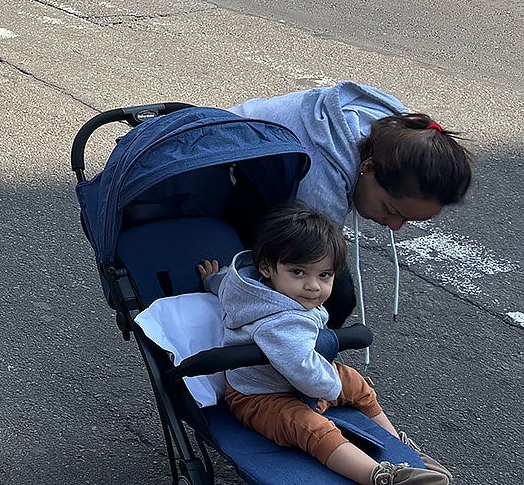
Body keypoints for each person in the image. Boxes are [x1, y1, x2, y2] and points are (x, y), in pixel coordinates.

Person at [198, 204, 450, 485]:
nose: (313, 286)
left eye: (324, 275)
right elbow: (305, 371)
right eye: (298, 272)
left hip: (290, 379)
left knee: (357, 383)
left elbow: (225, 285)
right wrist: (329, 389)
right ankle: (379, 475)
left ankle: (401, 448)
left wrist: (212, 279)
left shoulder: (247, 285)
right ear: (267, 267)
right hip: (260, 396)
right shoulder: (280, 323)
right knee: (312, 427)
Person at [231, 83, 472, 328]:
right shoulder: (319, 183)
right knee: (329, 295)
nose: (395, 226)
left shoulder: (399, 134)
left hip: (255, 156)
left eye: (407, 220)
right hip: (226, 174)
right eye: (391, 210)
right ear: (367, 167)